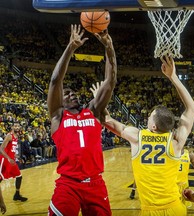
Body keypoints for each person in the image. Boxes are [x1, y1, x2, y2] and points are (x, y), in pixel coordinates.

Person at [102, 55, 194, 215]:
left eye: (150, 116)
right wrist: (173, 77)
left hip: (150, 211)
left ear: (153, 125)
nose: (147, 118)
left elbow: (106, 120)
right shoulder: (175, 141)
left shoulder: (137, 137)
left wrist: (100, 98)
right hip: (175, 209)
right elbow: (191, 107)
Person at [47, 24, 117, 216]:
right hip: (68, 184)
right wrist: (70, 47)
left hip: (95, 183)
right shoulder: (58, 116)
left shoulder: (93, 111)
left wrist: (109, 47)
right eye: (67, 94)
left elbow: (110, 82)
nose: (72, 95)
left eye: (74, 93)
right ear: (60, 100)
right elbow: (55, 80)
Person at [0, 122, 28, 202]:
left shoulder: (16, 136)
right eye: (15, 126)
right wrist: (8, 158)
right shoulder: (9, 136)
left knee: (19, 176)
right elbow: (1, 149)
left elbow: (12, 150)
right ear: (12, 127)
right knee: (1, 178)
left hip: (11, 160)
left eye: (18, 126)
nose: (17, 127)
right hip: (4, 160)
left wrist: (18, 157)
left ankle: (17, 195)